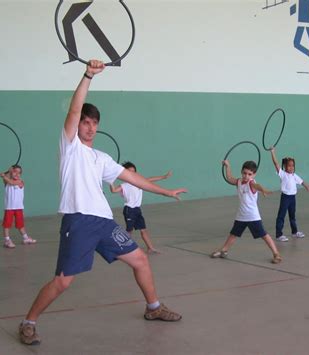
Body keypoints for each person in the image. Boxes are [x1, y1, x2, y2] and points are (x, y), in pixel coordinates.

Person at [18, 60, 187, 346]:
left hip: (104, 223)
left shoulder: (101, 158)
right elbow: (73, 109)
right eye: (86, 121)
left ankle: (153, 308)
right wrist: (88, 75)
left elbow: (133, 178)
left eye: (94, 123)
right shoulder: (70, 147)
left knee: (140, 260)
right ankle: (28, 322)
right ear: (78, 123)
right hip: (79, 220)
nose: (90, 127)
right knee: (63, 281)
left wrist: (165, 192)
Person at [210, 160, 282, 264]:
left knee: (264, 235)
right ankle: (223, 250)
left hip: (252, 216)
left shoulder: (252, 183)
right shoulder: (239, 181)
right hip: (241, 215)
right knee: (233, 234)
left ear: (254, 175)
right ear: (241, 172)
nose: (246, 176)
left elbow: (257, 186)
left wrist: (263, 189)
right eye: (244, 173)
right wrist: (227, 166)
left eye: (249, 174)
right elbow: (230, 178)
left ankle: (276, 254)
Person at [110, 162, 172, 254]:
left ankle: (150, 248)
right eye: (130, 172)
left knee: (143, 230)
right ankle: (122, 249)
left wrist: (163, 177)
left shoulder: (140, 183)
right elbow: (113, 190)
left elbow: (150, 179)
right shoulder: (124, 186)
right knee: (129, 231)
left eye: (134, 172)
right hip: (129, 210)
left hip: (137, 210)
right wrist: (111, 181)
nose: (132, 174)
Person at [270, 147, 309, 242]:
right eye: (289, 166)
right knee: (281, 215)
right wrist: (272, 152)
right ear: (284, 166)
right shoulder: (282, 174)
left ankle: (294, 232)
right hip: (285, 198)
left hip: (293, 198)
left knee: (292, 215)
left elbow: (301, 181)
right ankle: (279, 234)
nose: (291, 167)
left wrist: (306, 186)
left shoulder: (294, 175)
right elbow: (276, 163)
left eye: (293, 165)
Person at [0, 165, 36, 248]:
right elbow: (7, 181)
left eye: (19, 173)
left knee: (20, 224)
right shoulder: (7, 182)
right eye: (15, 172)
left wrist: (5, 175)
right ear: (11, 173)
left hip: (19, 208)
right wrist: (7, 173)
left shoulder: (20, 182)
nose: (17, 174)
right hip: (9, 208)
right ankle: (7, 240)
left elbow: (11, 182)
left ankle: (25, 238)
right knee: (7, 224)